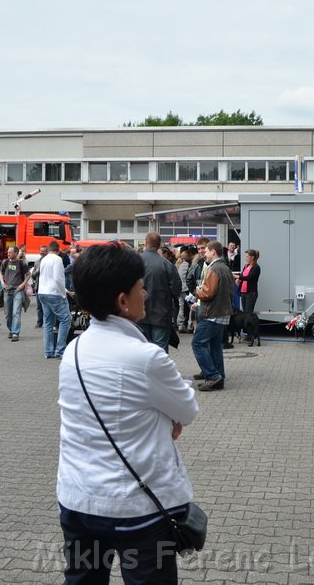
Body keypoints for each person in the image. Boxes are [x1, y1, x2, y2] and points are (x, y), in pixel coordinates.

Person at [57, 242, 199, 584]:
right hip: (137, 509)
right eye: (140, 288)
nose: (146, 293)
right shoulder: (146, 357)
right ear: (123, 301)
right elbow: (188, 410)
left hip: (78, 498)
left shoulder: (73, 349)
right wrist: (166, 420)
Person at [191, 241, 234, 391]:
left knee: (197, 344)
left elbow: (208, 293)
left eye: (206, 251)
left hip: (212, 314)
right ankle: (218, 377)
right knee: (215, 347)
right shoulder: (225, 268)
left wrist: (198, 291)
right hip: (222, 314)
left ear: (213, 252)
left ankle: (213, 376)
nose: (204, 254)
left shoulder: (214, 268)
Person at [138, 232, 182, 352]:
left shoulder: (134, 263)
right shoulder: (167, 265)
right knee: (160, 351)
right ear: (159, 245)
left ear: (145, 243)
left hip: (139, 313)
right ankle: (160, 371)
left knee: (142, 349)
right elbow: (176, 289)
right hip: (161, 314)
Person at [38, 240, 71, 360]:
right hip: (54, 293)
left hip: (42, 292)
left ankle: (48, 351)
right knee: (66, 320)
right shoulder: (57, 260)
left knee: (48, 322)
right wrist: (64, 293)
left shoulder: (44, 259)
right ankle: (60, 350)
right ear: (59, 250)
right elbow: (57, 278)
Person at [0, 246, 30, 342]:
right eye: (8, 252)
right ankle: (11, 329)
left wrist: (23, 284)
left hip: (18, 290)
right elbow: (1, 273)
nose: (8, 254)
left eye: (10, 252)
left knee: (16, 312)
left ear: (16, 253)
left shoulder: (21, 263)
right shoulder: (5, 262)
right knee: (8, 313)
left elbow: (28, 274)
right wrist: (2, 283)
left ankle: (15, 333)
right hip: (7, 290)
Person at [175, 247, 194, 333]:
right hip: (186, 289)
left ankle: (180, 325)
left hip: (180, 289)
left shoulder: (180, 265)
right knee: (191, 307)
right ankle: (190, 325)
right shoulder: (188, 265)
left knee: (181, 307)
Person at [237, 249, 261, 314]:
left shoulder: (256, 267)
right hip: (243, 292)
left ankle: (250, 324)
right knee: (244, 313)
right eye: (246, 256)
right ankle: (245, 324)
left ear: (252, 257)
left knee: (248, 313)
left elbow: (248, 278)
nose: (246, 258)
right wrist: (239, 279)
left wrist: (236, 276)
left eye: (247, 256)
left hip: (251, 293)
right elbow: (242, 276)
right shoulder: (246, 266)